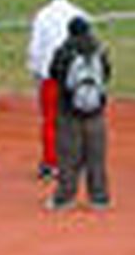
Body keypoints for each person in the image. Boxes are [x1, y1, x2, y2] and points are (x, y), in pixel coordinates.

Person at [47, 16, 111, 211]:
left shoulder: (65, 51)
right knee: (96, 157)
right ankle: (99, 197)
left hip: (69, 111)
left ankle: (65, 198)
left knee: (68, 157)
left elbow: (53, 73)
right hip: (96, 112)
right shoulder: (100, 50)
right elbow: (107, 74)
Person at [27, 0, 84, 179]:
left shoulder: (42, 16)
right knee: (75, 119)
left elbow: (35, 48)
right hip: (75, 75)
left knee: (51, 120)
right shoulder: (78, 13)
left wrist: (35, 72)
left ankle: (52, 163)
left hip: (50, 76)